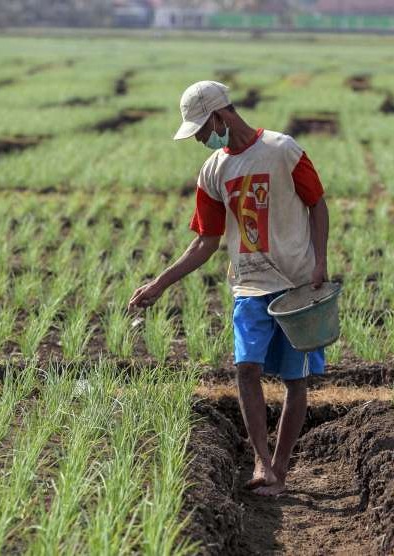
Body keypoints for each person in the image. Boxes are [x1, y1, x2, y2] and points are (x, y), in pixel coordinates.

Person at [128, 81, 329, 497]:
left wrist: (320, 262)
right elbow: (206, 241)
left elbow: (317, 203)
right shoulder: (213, 170)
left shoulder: (282, 150)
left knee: (296, 379)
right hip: (249, 286)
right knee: (246, 367)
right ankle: (260, 461)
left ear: (220, 115)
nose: (201, 138)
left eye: (202, 128)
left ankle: (281, 467)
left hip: (295, 283)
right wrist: (160, 283)